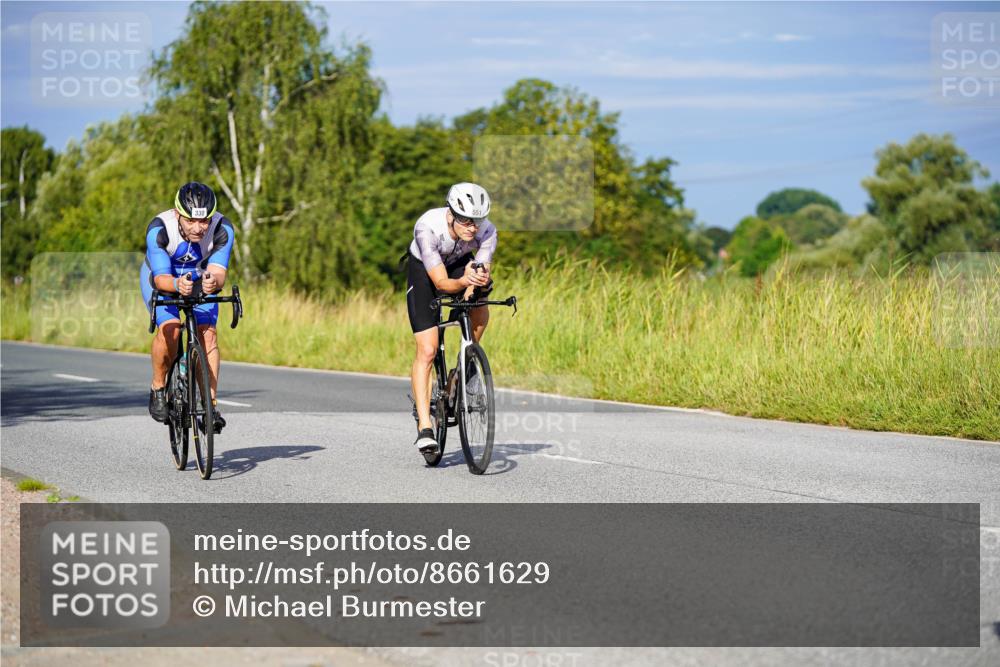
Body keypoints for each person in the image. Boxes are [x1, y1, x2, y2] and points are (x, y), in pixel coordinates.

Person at [406, 182, 497, 456]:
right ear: (451, 214)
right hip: (426, 270)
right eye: (467, 221)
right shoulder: (427, 227)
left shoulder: (488, 231)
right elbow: (442, 283)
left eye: (477, 221)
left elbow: (481, 269)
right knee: (429, 349)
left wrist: (476, 283)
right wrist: (462, 282)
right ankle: (425, 427)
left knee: (482, 295)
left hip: (459, 262)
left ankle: (465, 364)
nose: (473, 228)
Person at [141, 182, 235, 432]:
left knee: (208, 335)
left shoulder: (222, 228)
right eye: (190, 221)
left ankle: (210, 406)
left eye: (204, 221)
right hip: (162, 278)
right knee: (170, 330)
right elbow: (161, 279)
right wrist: (175, 284)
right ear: (177, 213)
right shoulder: (159, 229)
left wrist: (212, 281)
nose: (198, 228)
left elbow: (218, 273)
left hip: (198, 278)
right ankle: (158, 387)